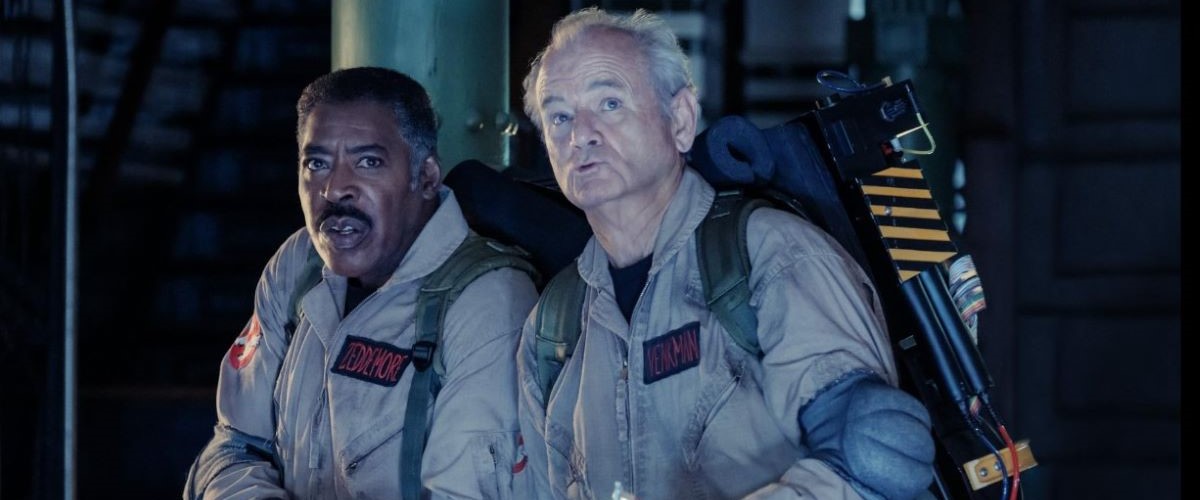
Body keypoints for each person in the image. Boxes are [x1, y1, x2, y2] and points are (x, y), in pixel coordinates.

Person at [516, 8, 935, 499]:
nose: (579, 135)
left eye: (609, 103)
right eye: (559, 116)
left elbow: (878, 458)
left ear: (681, 120)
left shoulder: (773, 257)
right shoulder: (553, 327)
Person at [184, 67, 538, 499]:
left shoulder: (487, 299)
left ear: (426, 177)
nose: (335, 190)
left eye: (368, 162)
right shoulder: (298, 266)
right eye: (316, 164)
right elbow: (234, 447)